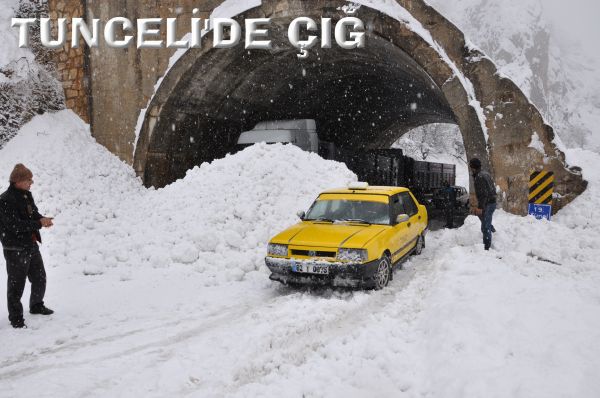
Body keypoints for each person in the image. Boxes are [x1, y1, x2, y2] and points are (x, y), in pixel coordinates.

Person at [0, 164, 54, 329]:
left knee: (39, 277)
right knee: (16, 284)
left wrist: (42, 218)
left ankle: (36, 305)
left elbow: (33, 213)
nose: (32, 182)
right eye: (28, 180)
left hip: (30, 244)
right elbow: (14, 226)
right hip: (15, 248)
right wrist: (38, 223)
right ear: (18, 181)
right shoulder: (5, 200)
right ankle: (16, 318)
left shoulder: (26, 195)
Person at [469, 158, 497, 250]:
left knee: (485, 226)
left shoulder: (479, 177)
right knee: (484, 219)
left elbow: (483, 194)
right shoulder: (485, 174)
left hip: (488, 203)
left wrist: (481, 207)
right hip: (492, 202)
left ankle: (486, 248)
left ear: (473, 167)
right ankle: (492, 230)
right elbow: (492, 188)